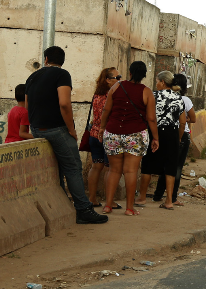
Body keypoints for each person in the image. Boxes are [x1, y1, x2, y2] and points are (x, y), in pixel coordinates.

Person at [25, 46, 108, 224]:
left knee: (60, 168)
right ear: (62, 61)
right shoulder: (62, 75)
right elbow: (64, 103)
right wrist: (71, 129)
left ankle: (64, 203)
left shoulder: (32, 76)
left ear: (46, 59)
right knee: (72, 167)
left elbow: (26, 106)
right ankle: (83, 209)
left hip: (37, 129)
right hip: (56, 128)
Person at [98, 61, 159, 216]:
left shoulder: (116, 86)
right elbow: (151, 119)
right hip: (136, 134)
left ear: (130, 72)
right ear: (144, 75)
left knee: (113, 170)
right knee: (131, 171)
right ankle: (130, 208)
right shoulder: (146, 92)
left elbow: (106, 109)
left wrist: (102, 127)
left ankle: (107, 206)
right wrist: (155, 138)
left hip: (112, 133)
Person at [136, 71, 186, 211]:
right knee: (170, 168)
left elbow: (147, 116)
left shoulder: (153, 95)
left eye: (157, 81)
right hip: (172, 133)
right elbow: (182, 122)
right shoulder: (178, 98)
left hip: (154, 132)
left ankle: (142, 197)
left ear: (163, 82)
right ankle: (169, 201)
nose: (156, 83)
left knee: (148, 165)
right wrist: (179, 137)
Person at [152, 73, 196, 207]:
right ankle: (172, 198)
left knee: (164, 166)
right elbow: (192, 119)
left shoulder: (159, 97)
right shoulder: (184, 100)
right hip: (179, 136)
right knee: (175, 168)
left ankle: (158, 194)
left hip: (163, 134)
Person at [87, 67, 123, 210]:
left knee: (96, 166)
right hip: (108, 135)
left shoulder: (96, 95)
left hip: (94, 135)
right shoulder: (112, 95)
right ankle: (110, 201)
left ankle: (92, 199)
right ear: (108, 80)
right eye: (117, 77)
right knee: (111, 169)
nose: (119, 80)